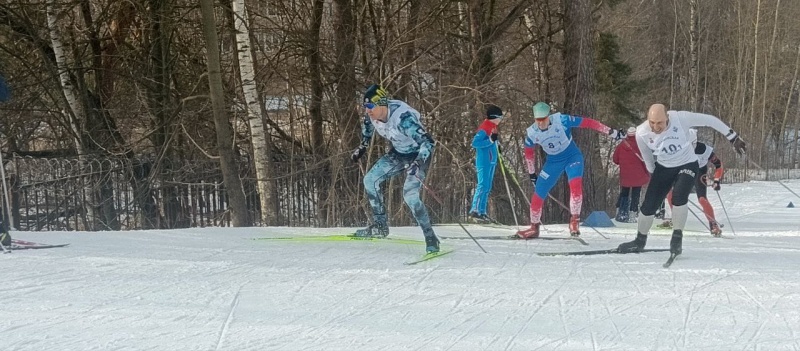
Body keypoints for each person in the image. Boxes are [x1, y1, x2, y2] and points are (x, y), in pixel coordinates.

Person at [617, 104, 746, 256]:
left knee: (679, 196)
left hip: (687, 163)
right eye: (652, 122)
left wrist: (733, 137)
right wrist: (655, 178)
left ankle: (677, 239)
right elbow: (648, 158)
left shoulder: (680, 118)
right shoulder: (641, 132)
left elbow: (709, 120)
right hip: (664, 166)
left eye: (660, 122)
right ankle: (639, 240)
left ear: (667, 117)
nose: (655, 127)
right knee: (649, 205)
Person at [350, 84, 439, 253]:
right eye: (365, 107)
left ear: (382, 104)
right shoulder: (372, 115)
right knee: (370, 180)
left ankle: (430, 237)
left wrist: (418, 163)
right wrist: (362, 146)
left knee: (410, 195)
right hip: (398, 153)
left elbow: (428, 142)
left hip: (418, 155)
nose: (368, 111)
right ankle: (380, 226)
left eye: (370, 107)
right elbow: (367, 127)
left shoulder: (403, 119)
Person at [515, 102, 625, 238]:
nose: (541, 123)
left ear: (548, 116)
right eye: (538, 120)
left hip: (572, 156)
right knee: (538, 193)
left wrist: (611, 132)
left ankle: (574, 221)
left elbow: (588, 123)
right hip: (553, 162)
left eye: (543, 119)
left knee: (575, 186)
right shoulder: (532, 132)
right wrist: (532, 173)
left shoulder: (561, 120)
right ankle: (534, 227)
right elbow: (529, 154)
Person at [657, 129, 726, 236]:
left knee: (702, 199)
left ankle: (713, 225)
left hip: (699, 172)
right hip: (684, 171)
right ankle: (675, 219)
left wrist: (717, 179)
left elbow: (718, 165)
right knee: (670, 194)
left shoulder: (704, 149)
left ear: (694, 142)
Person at [468, 104, 503, 223]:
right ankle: (475, 210)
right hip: (484, 161)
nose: (500, 120)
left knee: (487, 187)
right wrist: (490, 140)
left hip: (491, 160)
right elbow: (475, 143)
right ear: (494, 117)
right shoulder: (484, 127)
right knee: (482, 185)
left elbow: (493, 141)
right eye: (500, 117)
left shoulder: (493, 126)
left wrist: (497, 146)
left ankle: (482, 211)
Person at [612, 127, 650, 223]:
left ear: (628, 134)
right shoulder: (640, 145)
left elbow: (615, 160)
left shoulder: (621, 145)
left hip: (625, 175)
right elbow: (646, 158)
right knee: (636, 194)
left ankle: (620, 212)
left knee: (624, 193)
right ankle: (633, 214)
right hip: (638, 174)